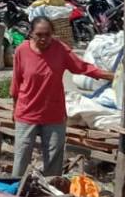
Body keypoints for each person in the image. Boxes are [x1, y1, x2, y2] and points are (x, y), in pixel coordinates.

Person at [10, 16, 114, 178]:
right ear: (31, 34)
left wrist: (108, 75)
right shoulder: (22, 51)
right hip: (27, 112)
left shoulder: (60, 49)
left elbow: (81, 67)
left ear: (52, 34)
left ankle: (50, 193)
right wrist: (14, 108)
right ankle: (14, 193)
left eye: (47, 34)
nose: (43, 39)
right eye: (39, 35)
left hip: (54, 113)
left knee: (53, 158)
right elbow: (16, 83)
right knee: (21, 156)